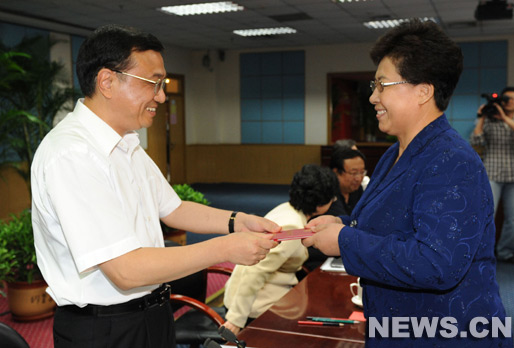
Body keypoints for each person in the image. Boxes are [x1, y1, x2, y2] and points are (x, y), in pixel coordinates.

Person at [31, 24, 279, 348]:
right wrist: (225, 248)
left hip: (154, 314)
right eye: (154, 83)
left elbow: (173, 209)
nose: (161, 96)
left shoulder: (126, 143)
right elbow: (125, 270)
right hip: (105, 329)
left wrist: (236, 221)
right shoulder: (71, 154)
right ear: (107, 81)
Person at [303, 19, 511, 347]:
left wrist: (345, 240)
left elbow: (437, 263)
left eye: (382, 84)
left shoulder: (451, 160)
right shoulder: (396, 153)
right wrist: (341, 223)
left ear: (423, 91)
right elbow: (395, 226)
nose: (373, 97)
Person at [222, 164, 338, 335]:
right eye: (332, 198)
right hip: (253, 305)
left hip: (254, 293)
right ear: (320, 204)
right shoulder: (292, 227)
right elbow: (256, 271)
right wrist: (236, 319)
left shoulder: (287, 208)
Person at [470, 86, 514, 265]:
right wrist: (482, 117)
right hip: (492, 173)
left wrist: (504, 118)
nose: (508, 101)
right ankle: (482, 253)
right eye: (505, 98)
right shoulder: (490, 120)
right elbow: (475, 141)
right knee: (487, 215)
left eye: (512, 99)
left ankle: (505, 252)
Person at [325, 147, 367, 216]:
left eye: (362, 172)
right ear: (336, 172)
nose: (359, 178)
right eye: (354, 173)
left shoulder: (358, 189)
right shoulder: (327, 192)